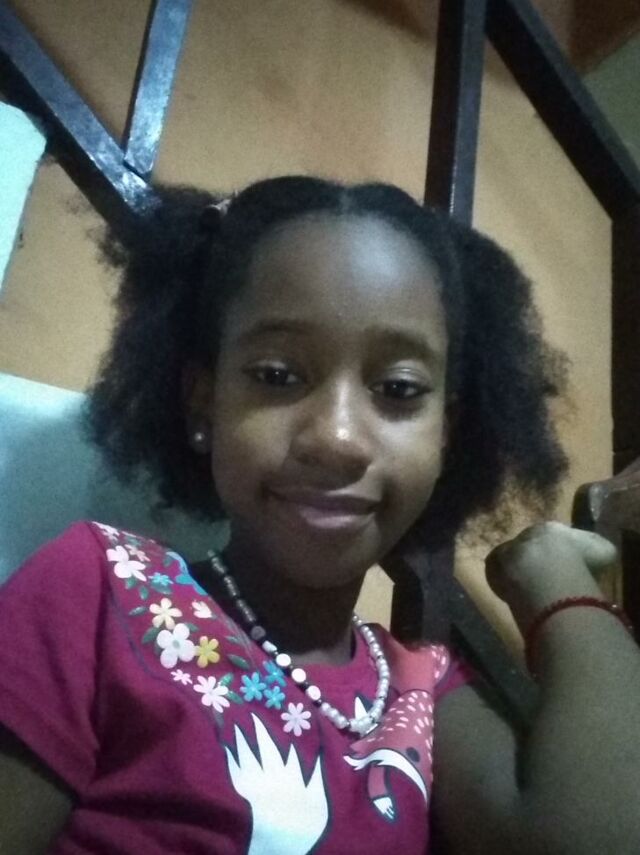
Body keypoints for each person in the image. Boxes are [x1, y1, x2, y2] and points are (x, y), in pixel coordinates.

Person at [0, 176, 638, 855]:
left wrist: (554, 575)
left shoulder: (420, 692)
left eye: (398, 389)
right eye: (278, 375)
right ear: (202, 402)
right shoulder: (102, 590)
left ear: (445, 437)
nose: (337, 438)